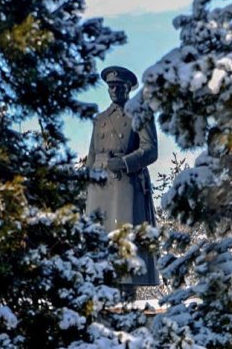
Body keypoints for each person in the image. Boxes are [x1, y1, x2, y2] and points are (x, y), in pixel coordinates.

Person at [85, 66, 159, 300]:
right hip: (100, 185)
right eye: (111, 86)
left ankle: (127, 292)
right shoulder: (100, 120)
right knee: (100, 240)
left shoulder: (140, 114)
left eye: (119, 86)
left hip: (126, 185)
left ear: (128, 88)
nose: (114, 89)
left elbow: (150, 150)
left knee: (126, 241)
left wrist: (126, 162)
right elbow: (91, 155)